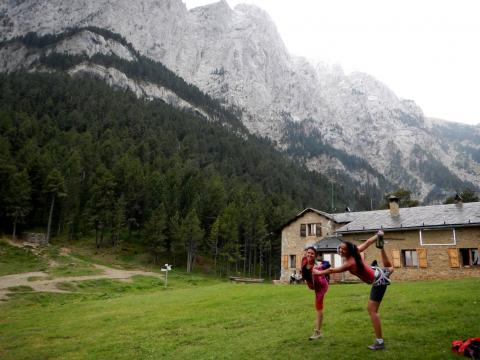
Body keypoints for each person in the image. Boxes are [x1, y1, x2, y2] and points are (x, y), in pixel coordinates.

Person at [313, 230, 393, 350]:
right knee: (389, 268)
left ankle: (380, 342)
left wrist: (318, 272)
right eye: (340, 248)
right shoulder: (355, 252)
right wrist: (378, 235)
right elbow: (367, 243)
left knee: (372, 310)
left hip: (378, 280)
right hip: (377, 273)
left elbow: (332, 270)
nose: (341, 251)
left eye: (343, 249)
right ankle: (381, 248)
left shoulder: (349, 263)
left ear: (349, 250)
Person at [301, 246, 329, 340]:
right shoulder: (304, 259)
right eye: (308, 252)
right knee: (317, 307)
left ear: (315, 255)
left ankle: (317, 332)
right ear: (306, 253)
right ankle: (318, 332)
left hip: (320, 286)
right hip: (312, 285)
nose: (310, 255)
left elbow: (327, 264)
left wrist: (320, 266)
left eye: (312, 253)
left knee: (318, 308)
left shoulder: (316, 265)